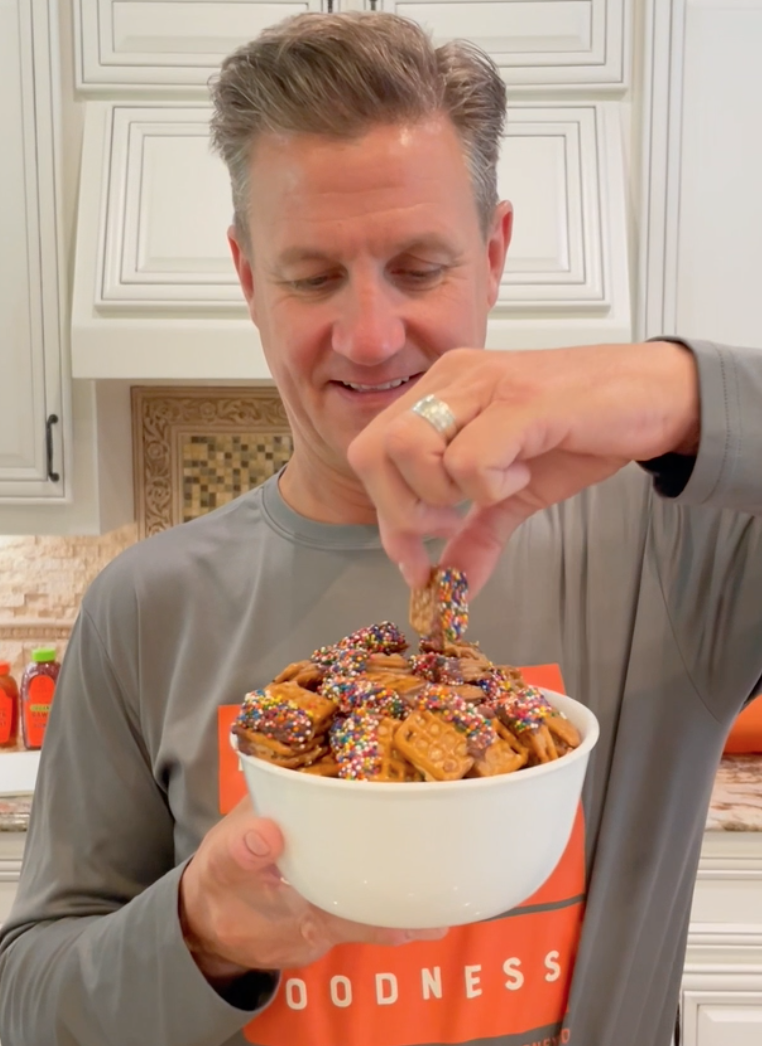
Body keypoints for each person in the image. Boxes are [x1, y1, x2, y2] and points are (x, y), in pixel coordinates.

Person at [1, 11, 760, 1046]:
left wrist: (672, 390)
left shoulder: (675, 545)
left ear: (495, 253)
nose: (368, 335)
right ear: (245, 277)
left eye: (419, 266)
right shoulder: (147, 607)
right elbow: (30, 1000)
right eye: (312, 276)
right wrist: (200, 929)